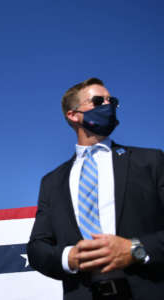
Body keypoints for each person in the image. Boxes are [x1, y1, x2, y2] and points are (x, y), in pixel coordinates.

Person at [27, 78, 164, 300]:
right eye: (98, 101)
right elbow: (37, 248)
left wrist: (135, 249)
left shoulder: (151, 161)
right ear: (73, 115)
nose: (108, 105)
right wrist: (68, 257)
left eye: (112, 101)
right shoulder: (52, 182)